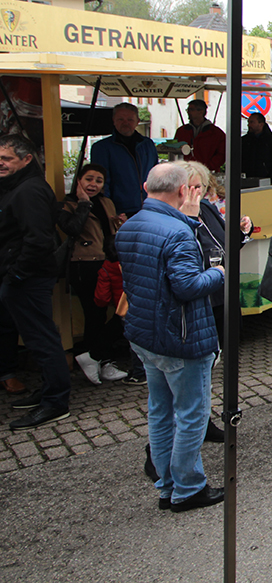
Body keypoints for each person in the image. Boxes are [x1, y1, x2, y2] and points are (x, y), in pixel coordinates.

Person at [117, 162, 226, 512]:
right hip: (181, 336)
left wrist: (189, 221)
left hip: (145, 334)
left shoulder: (131, 224)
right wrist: (219, 272)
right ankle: (188, 488)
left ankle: (167, 486)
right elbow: (188, 286)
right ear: (182, 191)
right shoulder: (178, 231)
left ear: (146, 187)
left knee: (160, 411)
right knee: (192, 414)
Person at [0, 135, 73, 430]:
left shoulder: (29, 190)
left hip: (27, 278)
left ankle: (55, 401)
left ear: (26, 159)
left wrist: (16, 275)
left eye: (6, 159)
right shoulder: (17, 187)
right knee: (37, 338)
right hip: (22, 275)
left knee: (42, 339)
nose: (1, 164)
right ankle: (49, 390)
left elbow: (38, 240)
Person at [57, 163, 128, 385]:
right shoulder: (68, 204)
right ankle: (97, 359)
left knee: (119, 311)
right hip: (85, 264)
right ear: (78, 181)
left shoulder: (107, 202)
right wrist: (83, 203)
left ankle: (97, 358)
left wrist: (121, 225)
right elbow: (72, 229)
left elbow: (110, 233)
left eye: (99, 180)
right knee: (94, 314)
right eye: (89, 179)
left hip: (109, 261)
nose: (93, 184)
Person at [89, 101, 157, 218]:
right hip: (120, 210)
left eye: (130, 119)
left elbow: (156, 175)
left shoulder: (148, 144)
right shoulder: (102, 148)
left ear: (137, 121)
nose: (125, 123)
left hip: (149, 206)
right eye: (120, 119)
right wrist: (108, 210)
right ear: (114, 121)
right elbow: (102, 182)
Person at [174, 99, 225, 173]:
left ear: (201, 111)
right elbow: (175, 150)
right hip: (185, 171)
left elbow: (222, 154)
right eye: (188, 110)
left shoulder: (216, 133)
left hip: (208, 173)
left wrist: (208, 167)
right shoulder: (181, 131)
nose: (188, 112)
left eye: (191, 110)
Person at [240, 112, 272, 184]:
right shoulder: (244, 141)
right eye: (248, 122)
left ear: (261, 124)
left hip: (266, 183)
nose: (249, 125)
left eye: (252, 122)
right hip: (245, 181)